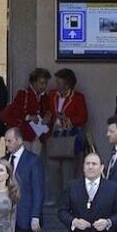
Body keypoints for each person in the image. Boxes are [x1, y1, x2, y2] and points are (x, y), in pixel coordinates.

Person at [4, 126, 45, 232]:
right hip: (6, 217)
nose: (7, 144)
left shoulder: (33, 160)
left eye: (9, 140)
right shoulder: (4, 160)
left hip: (26, 216)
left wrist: (36, 216)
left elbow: (38, 190)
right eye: (6, 141)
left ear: (20, 141)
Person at [47, 68, 88, 201]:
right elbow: (47, 112)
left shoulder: (78, 97)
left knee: (68, 170)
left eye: (59, 82)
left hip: (69, 139)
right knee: (52, 169)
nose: (56, 85)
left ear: (67, 84)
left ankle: (67, 201)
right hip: (54, 137)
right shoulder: (52, 95)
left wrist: (68, 120)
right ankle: (53, 198)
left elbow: (83, 117)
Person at [0, 68, 52, 149]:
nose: (44, 86)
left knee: (35, 159)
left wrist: (48, 116)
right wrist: (29, 117)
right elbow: (16, 110)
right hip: (24, 133)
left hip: (38, 135)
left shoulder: (45, 97)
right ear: (34, 82)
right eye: (41, 83)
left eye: (46, 83)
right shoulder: (23, 94)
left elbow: (47, 110)